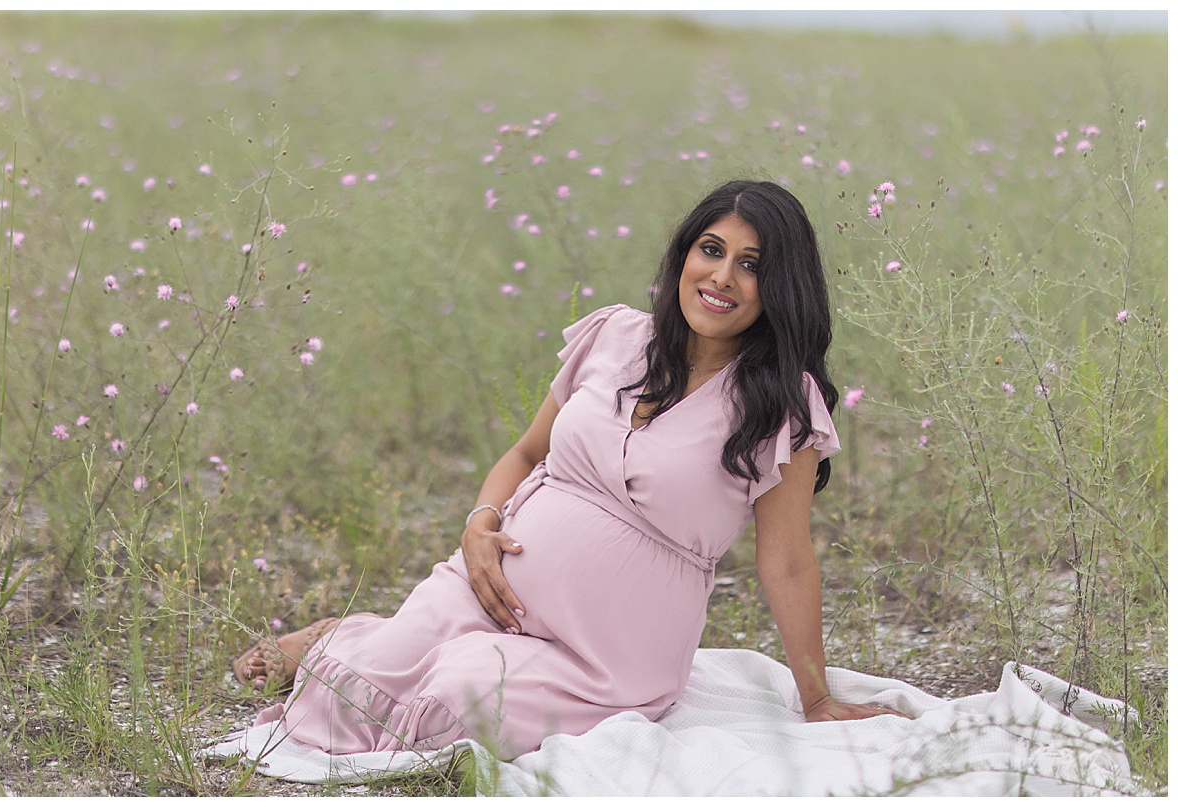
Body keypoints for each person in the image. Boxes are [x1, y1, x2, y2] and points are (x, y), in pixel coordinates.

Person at [231, 179, 905, 761]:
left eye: (750, 264)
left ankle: (368, 643)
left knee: (446, 707)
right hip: (488, 585)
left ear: (778, 288)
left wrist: (816, 698)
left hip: (605, 655)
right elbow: (526, 453)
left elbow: (786, 561)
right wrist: (478, 524)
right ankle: (343, 639)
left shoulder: (780, 403)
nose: (722, 276)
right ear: (684, 255)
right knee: (353, 688)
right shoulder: (615, 336)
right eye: (711, 249)